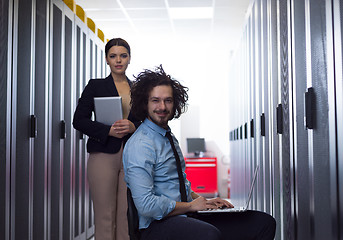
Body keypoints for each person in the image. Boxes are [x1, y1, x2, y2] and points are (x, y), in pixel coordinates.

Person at [123, 65, 276, 240]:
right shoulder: (141, 144)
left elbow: (176, 186)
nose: (162, 107)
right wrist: (190, 206)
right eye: (155, 100)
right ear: (145, 103)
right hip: (156, 226)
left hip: (186, 215)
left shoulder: (168, 137)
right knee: (209, 235)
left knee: (262, 222)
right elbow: (146, 205)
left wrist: (204, 201)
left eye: (168, 100)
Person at [73, 38, 140, 240]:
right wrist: (107, 131)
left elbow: (149, 121)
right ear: (106, 60)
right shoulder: (95, 86)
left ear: (129, 59)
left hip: (132, 155)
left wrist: (134, 126)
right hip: (103, 154)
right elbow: (79, 120)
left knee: (126, 215)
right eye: (113, 56)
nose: (118, 60)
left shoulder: (138, 88)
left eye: (123, 55)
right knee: (105, 215)